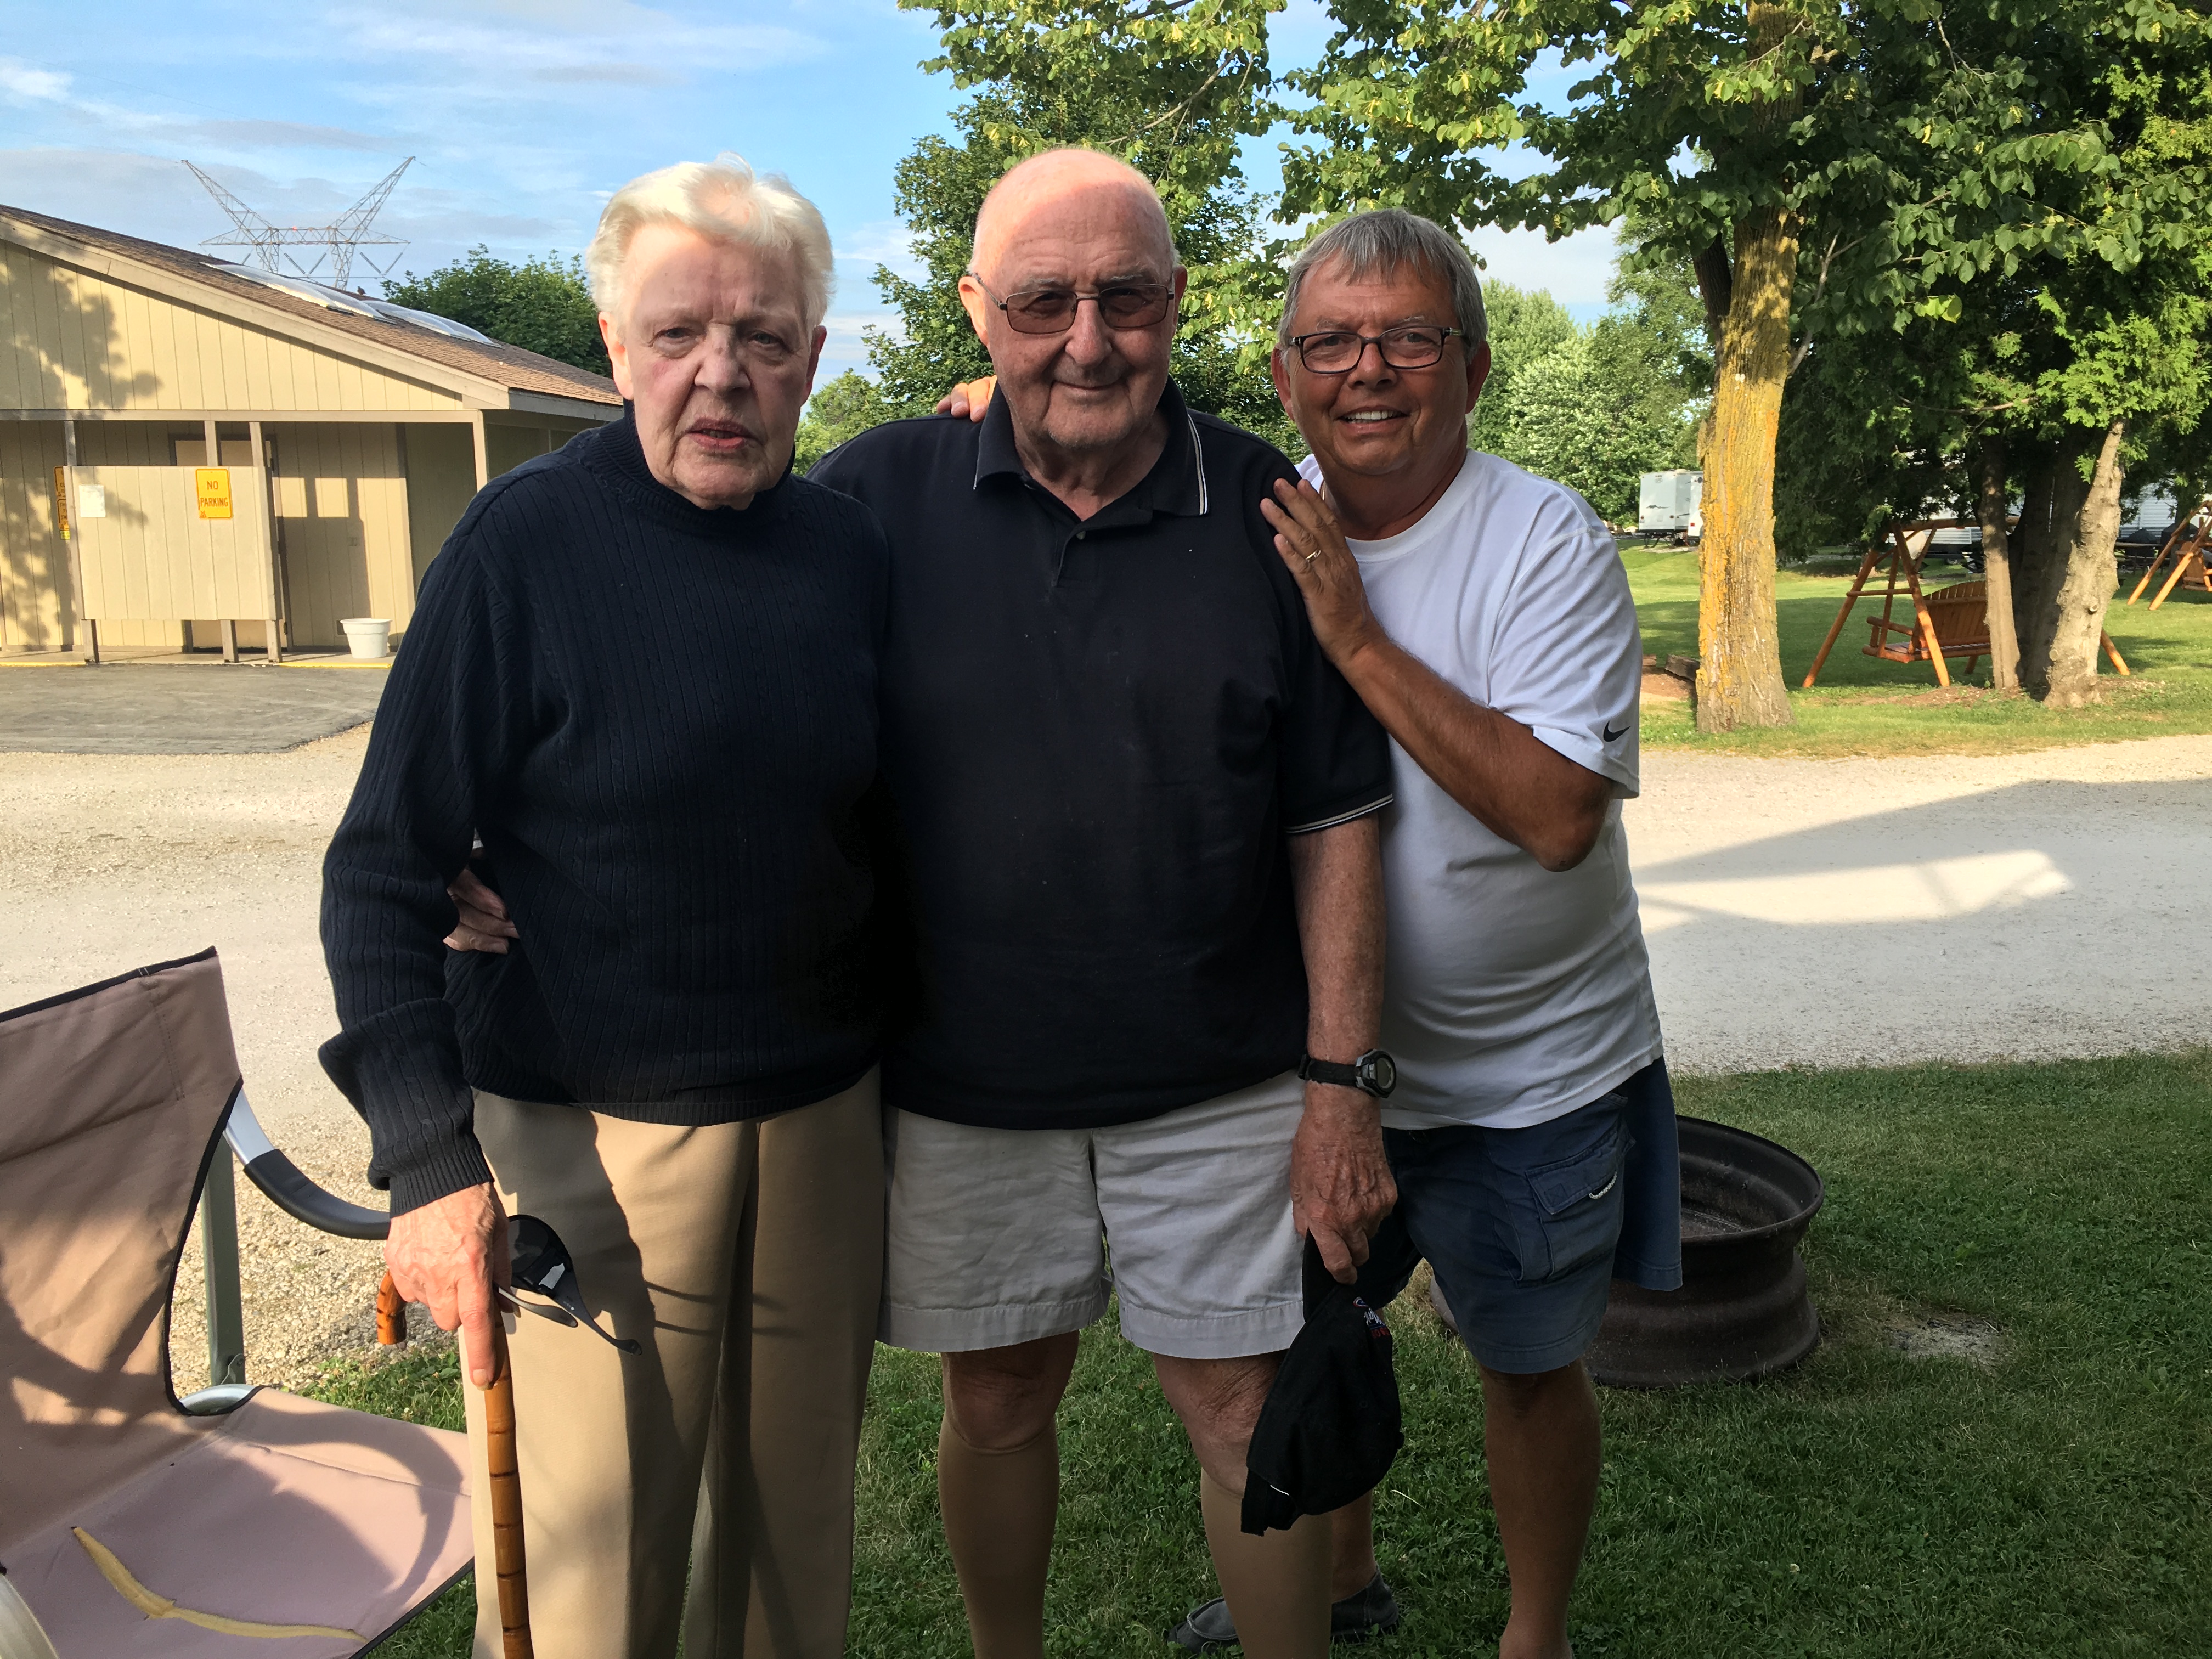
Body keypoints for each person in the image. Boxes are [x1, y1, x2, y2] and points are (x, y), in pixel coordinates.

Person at [946, 207, 1681, 1659]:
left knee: (1528, 1366)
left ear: (1473, 367)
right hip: (1306, 1069)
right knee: (1303, 1346)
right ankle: (1340, 1578)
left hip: (1527, 1073)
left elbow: (1556, 816)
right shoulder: (1248, 514)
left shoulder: (1545, 540)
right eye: (1331, 343)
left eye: (1409, 338)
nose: (1370, 372)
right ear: (1283, 376)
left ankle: (1535, 1636)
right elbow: (1095, 420)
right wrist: (1002, 399)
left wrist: (1354, 639)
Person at [809, 148, 1398, 1659]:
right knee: (998, 1397)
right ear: (977, 312)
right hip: (961, 1084)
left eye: (1125, 298)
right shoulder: (877, 494)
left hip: (1220, 1084)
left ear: (1178, 302)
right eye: (1042, 304)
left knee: (1241, 1408)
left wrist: (1341, 1090)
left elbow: (1336, 821)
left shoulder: (1270, 512)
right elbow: (724, 658)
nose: (1087, 341)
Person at [319, 157, 892, 1659]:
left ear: (812, 358)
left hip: (823, 1125)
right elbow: (380, 867)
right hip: (586, 1143)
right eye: (679, 332)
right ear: (617, 346)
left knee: (792, 1559)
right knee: (595, 1582)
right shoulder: (522, 544)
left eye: (764, 335)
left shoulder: (848, 550)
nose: (722, 372)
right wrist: (427, 1163)